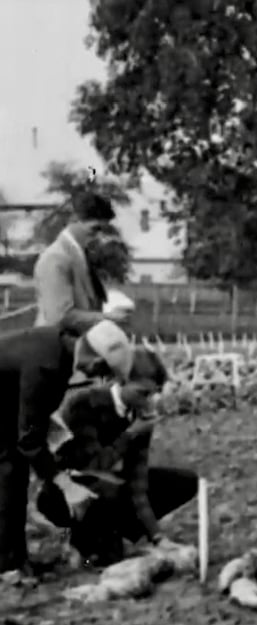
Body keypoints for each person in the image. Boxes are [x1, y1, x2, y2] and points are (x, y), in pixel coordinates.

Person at [36, 347, 197, 567]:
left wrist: (158, 537)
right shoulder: (83, 405)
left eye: (154, 393)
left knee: (183, 482)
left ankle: (120, 532)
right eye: (143, 393)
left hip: (108, 487)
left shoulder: (140, 415)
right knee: (106, 553)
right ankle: (80, 538)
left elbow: (137, 480)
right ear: (121, 380)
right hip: (66, 491)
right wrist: (130, 434)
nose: (149, 401)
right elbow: (93, 464)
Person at [0, 320, 134, 578]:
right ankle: (9, 566)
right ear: (95, 362)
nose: (98, 378)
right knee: (8, 469)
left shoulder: (61, 345)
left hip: (4, 402)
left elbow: (33, 416)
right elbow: (29, 440)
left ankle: (13, 558)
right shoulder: (46, 367)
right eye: (102, 372)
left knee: (14, 467)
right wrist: (68, 486)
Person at [33, 191, 129, 336]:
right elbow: (60, 317)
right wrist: (108, 318)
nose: (99, 235)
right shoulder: (56, 258)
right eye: (95, 229)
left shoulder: (80, 254)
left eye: (103, 230)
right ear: (74, 219)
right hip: (54, 349)